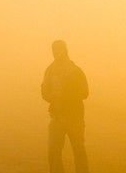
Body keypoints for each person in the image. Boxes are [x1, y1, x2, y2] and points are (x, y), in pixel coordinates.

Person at [41, 40, 90, 173]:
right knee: (53, 151)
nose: (57, 53)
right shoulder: (50, 70)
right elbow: (44, 91)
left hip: (74, 118)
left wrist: (65, 95)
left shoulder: (75, 71)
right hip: (57, 117)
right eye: (54, 50)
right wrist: (50, 96)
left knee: (79, 150)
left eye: (59, 50)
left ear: (65, 50)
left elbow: (85, 92)